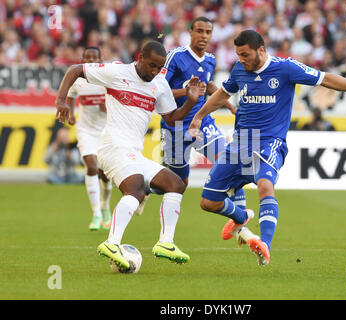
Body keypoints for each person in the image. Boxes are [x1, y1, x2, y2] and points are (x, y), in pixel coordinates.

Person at [189, 30, 346, 266]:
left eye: (245, 54)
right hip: (240, 143)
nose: (242, 59)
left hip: (271, 141)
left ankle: (265, 246)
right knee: (208, 202)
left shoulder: (286, 68)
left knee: (264, 185)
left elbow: (326, 78)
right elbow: (222, 94)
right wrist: (199, 116)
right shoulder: (239, 70)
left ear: (261, 50)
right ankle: (242, 216)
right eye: (239, 55)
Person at [55, 41, 201, 271]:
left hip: (133, 153)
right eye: (151, 65)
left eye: (159, 67)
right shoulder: (117, 71)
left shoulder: (159, 84)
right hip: (113, 147)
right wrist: (62, 100)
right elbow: (75, 70)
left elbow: (171, 118)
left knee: (175, 184)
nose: (154, 72)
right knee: (135, 189)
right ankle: (112, 243)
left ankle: (166, 243)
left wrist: (191, 102)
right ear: (140, 57)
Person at [143, 17, 246, 216]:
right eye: (199, 31)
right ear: (190, 32)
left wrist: (231, 108)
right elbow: (157, 89)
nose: (203, 36)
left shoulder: (210, 59)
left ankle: (241, 218)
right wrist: (188, 92)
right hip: (175, 125)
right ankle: (148, 188)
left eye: (208, 32)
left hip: (202, 121)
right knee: (179, 183)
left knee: (229, 160)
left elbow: (209, 87)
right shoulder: (175, 56)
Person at [66, 47, 113, 231]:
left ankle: (105, 206)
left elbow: (118, 100)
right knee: (91, 166)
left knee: (106, 175)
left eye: (95, 57)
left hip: (106, 131)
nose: (91, 60)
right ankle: (96, 214)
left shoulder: (107, 79)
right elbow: (70, 96)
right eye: (88, 57)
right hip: (86, 130)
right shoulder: (78, 79)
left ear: (101, 60)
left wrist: (107, 106)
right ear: (83, 59)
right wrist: (70, 113)